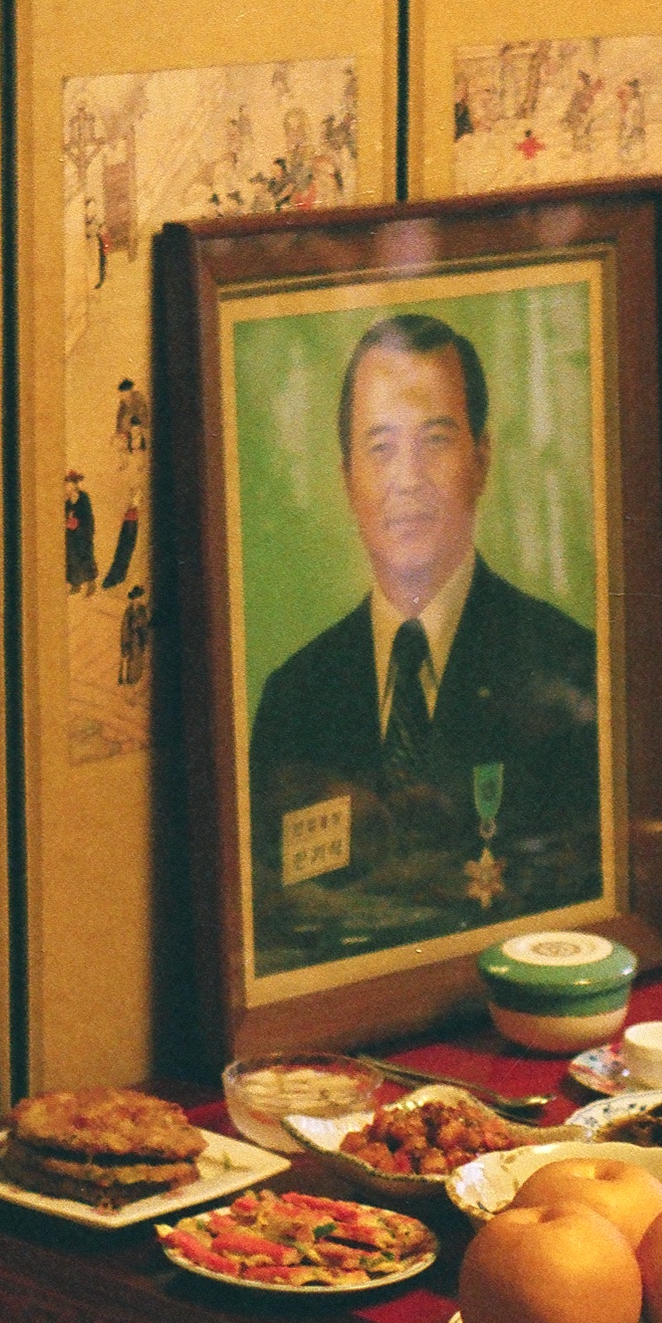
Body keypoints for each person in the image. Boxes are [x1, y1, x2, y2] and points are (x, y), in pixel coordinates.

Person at [244, 313, 600, 951]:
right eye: (380, 447)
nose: (407, 479)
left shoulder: (568, 666)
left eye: (435, 440)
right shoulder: (293, 697)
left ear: (481, 460)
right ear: (347, 476)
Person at [63, 470, 97, 589]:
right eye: (68, 483)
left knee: (86, 555)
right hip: (72, 533)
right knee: (72, 557)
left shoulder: (83, 497)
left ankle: (91, 583)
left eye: (72, 483)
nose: (69, 486)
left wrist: (79, 525)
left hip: (83, 531)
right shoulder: (66, 500)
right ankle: (75, 584)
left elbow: (88, 516)